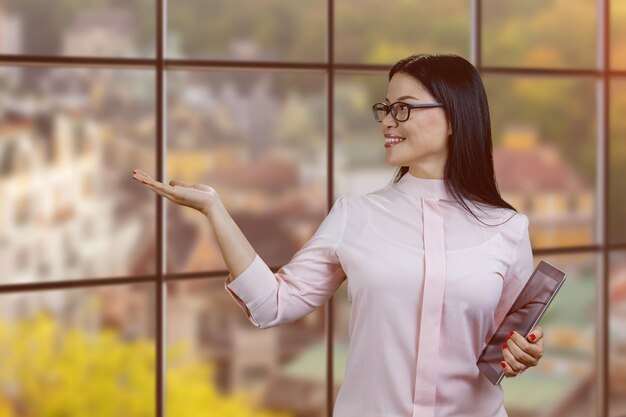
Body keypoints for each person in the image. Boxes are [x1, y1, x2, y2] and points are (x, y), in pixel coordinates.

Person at [131, 53, 545, 417]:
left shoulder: (508, 229)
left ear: (455, 116)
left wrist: (524, 353)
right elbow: (272, 304)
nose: (387, 121)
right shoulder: (356, 215)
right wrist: (214, 209)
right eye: (385, 108)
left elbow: (503, 347)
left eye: (403, 109)